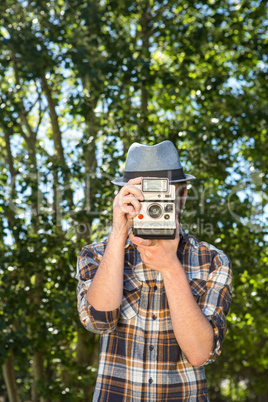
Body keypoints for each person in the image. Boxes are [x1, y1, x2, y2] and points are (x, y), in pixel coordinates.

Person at [76, 140, 232, 401]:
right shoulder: (96, 254)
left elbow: (200, 353)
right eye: (142, 192)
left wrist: (171, 267)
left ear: (182, 196)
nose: (151, 202)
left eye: (161, 192)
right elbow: (97, 321)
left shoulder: (212, 261)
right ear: (124, 196)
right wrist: (118, 233)